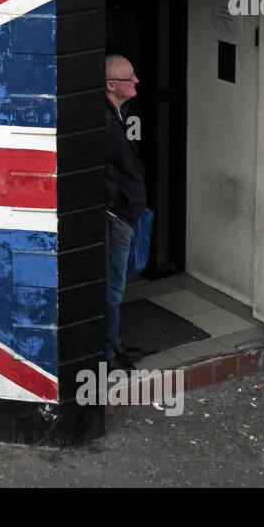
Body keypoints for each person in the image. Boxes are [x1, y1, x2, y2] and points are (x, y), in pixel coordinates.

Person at [104, 54, 146, 370]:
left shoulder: (116, 113)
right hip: (117, 216)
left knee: (116, 283)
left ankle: (113, 346)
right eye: (129, 77)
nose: (136, 81)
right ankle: (108, 352)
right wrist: (120, 203)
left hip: (124, 213)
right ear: (111, 85)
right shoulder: (105, 120)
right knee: (113, 287)